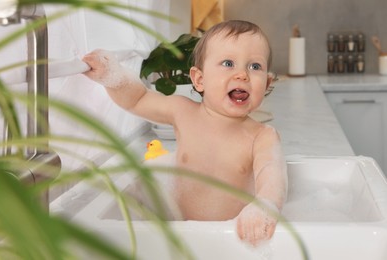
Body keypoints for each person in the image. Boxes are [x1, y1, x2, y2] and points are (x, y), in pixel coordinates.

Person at [82, 20, 288, 247]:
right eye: (228, 63)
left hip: (230, 241)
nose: (242, 75)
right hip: (181, 234)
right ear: (199, 79)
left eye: (255, 67)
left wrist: (263, 207)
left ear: (267, 82)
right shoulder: (183, 112)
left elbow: (272, 178)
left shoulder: (262, 136)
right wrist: (114, 77)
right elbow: (138, 99)